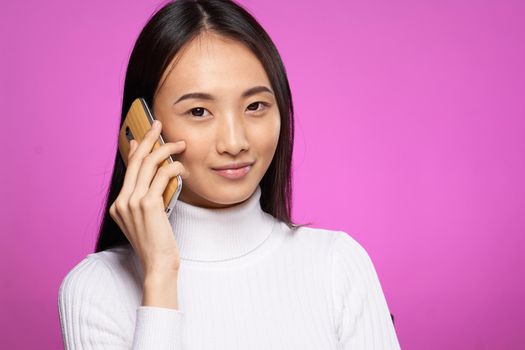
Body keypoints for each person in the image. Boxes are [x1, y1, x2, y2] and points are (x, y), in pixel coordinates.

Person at [57, 0, 401, 348]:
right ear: (143, 126)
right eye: (199, 111)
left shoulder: (337, 264)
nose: (235, 142)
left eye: (255, 106)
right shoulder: (95, 287)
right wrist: (160, 274)